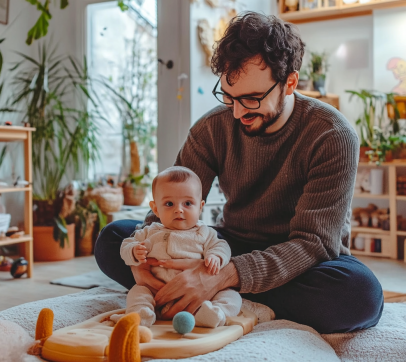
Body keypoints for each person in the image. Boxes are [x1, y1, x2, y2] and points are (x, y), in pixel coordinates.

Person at [95, 11, 383, 334]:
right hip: (229, 246)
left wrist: (219, 276)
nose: (237, 112)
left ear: (289, 82)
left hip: (300, 260)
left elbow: (313, 243)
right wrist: (145, 264)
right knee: (113, 238)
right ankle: (209, 290)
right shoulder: (212, 128)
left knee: (361, 295)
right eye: (229, 97)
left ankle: (215, 290)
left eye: (251, 99)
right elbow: (169, 204)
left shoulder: (332, 135)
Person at [115, 166, 242, 328]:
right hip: (157, 292)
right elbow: (126, 245)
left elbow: (221, 246)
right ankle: (142, 312)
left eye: (188, 203)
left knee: (232, 296)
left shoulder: (205, 232)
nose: (179, 210)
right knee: (138, 292)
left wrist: (215, 257)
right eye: (169, 204)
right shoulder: (149, 232)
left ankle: (213, 313)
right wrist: (133, 251)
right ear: (155, 209)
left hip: (202, 297)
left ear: (200, 207)